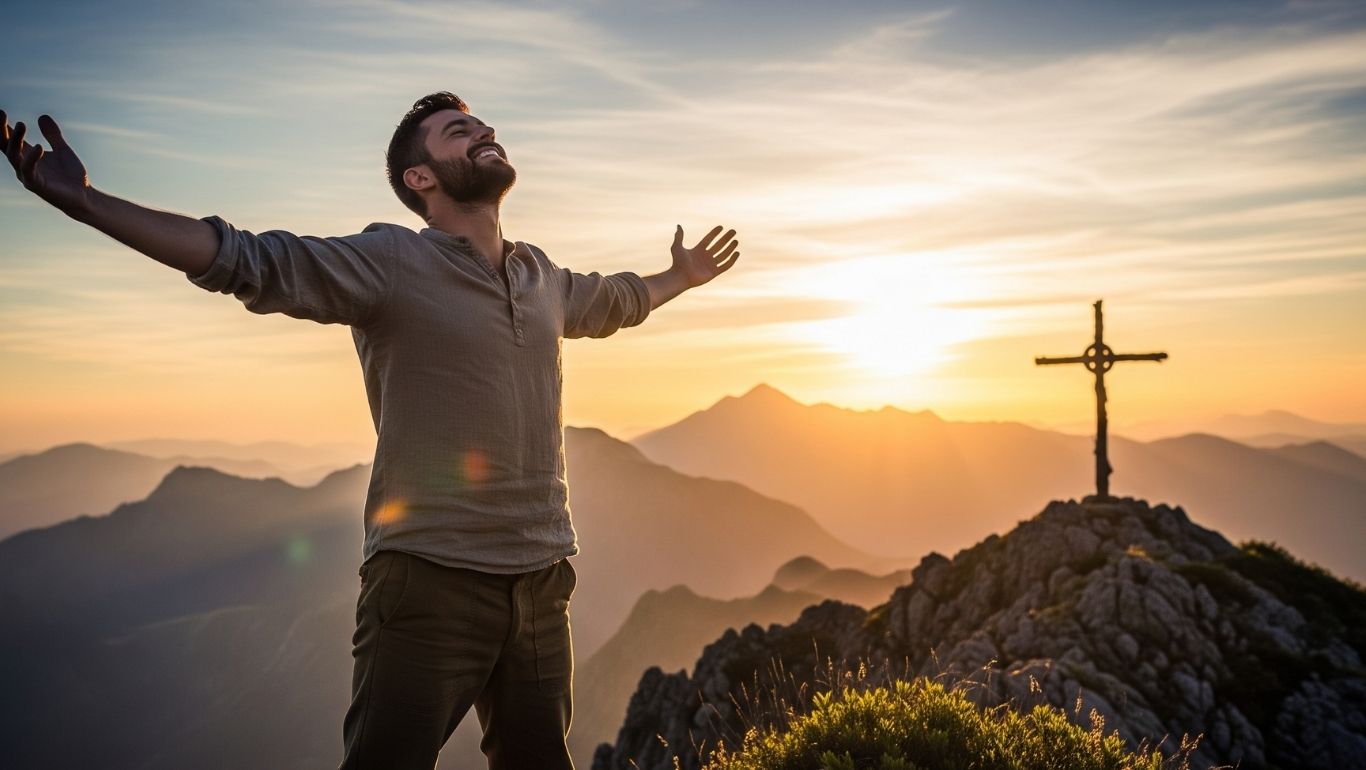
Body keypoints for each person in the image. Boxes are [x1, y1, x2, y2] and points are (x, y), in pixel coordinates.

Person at [1, 91, 740, 769]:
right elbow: (248, 259)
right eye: (460, 131)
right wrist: (89, 204)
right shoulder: (392, 261)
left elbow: (613, 301)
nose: (485, 132)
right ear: (422, 178)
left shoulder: (540, 276)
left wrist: (680, 278)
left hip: (544, 583)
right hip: (427, 583)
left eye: (483, 125)